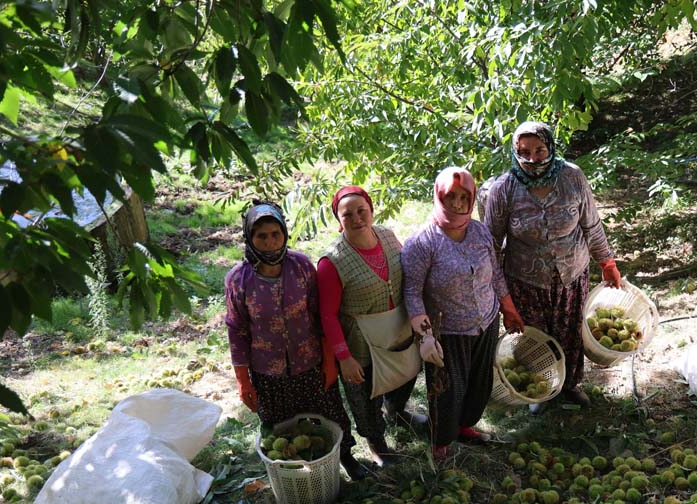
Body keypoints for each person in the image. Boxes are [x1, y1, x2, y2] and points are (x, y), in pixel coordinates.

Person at [484, 121, 622, 411]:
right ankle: (541, 388)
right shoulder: (504, 189)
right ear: (515, 152)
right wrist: (500, 295)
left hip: (572, 272)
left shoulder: (572, 178)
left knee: (570, 331)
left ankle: (569, 385)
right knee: (534, 335)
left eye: (540, 150)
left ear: (551, 147)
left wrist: (606, 262)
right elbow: (491, 246)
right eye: (525, 153)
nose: (533, 159)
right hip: (525, 278)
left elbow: (591, 224)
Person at [224, 200, 364, 480]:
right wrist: (243, 379)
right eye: (261, 236)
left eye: (275, 234)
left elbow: (319, 315)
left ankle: (346, 458)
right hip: (268, 373)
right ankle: (295, 476)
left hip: (310, 364)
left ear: (285, 234)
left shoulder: (300, 266)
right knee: (282, 431)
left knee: (332, 417)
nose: (269, 243)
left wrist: (329, 362)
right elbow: (236, 329)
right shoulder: (238, 280)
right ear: (249, 238)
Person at [402, 167, 525, 462]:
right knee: (447, 390)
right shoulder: (422, 242)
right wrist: (426, 336)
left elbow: (494, 274)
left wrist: (509, 309)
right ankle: (441, 440)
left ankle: (464, 425)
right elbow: (412, 293)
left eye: (464, 196)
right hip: (449, 331)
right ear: (438, 196)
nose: (458, 203)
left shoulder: (480, 231)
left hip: (486, 320)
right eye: (450, 197)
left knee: (478, 383)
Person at [318, 185, 424, 467]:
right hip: (361, 339)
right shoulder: (332, 262)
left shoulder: (387, 236)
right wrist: (345, 357)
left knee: (406, 371)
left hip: (397, 327)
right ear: (338, 219)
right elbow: (327, 315)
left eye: (361, 210)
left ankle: (397, 411)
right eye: (347, 214)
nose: (356, 218)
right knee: (365, 398)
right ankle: (376, 442)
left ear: (371, 209)